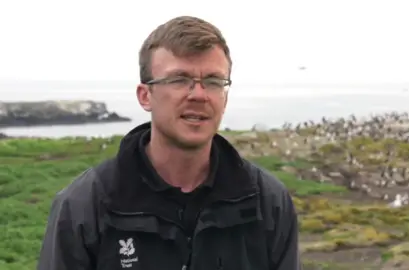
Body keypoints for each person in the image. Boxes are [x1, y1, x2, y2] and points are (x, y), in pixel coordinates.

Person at [37, 15, 300, 270]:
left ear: (225, 96)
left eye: (213, 81)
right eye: (179, 79)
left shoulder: (268, 202)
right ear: (145, 96)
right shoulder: (84, 206)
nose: (198, 95)